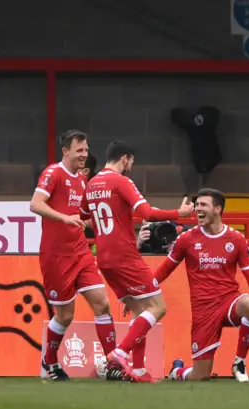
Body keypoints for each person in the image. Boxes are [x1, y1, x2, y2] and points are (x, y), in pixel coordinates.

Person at [81, 140, 194, 382]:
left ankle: (140, 370)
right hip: (125, 255)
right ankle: (120, 353)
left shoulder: (91, 185)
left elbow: (85, 218)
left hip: (104, 258)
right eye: (131, 161)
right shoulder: (121, 181)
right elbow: (148, 213)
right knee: (158, 307)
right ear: (125, 158)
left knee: (140, 309)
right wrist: (180, 213)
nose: (131, 166)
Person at [149, 188, 249, 382]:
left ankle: (239, 362)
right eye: (197, 205)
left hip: (229, 301)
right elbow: (164, 270)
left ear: (218, 209)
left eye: (203, 205)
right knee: (200, 376)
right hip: (203, 311)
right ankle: (177, 371)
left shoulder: (236, 239)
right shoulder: (186, 239)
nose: (197, 209)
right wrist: (141, 293)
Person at [30, 130, 117, 381]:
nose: (84, 155)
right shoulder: (53, 173)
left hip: (80, 252)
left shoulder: (81, 180)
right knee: (66, 315)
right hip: (56, 256)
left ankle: (113, 363)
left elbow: (82, 218)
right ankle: (49, 362)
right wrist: (65, 218)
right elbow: (35, 204)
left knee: (102, 303)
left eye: (86, 150)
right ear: (65, 151)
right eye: (79, 150)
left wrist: (103, 225)